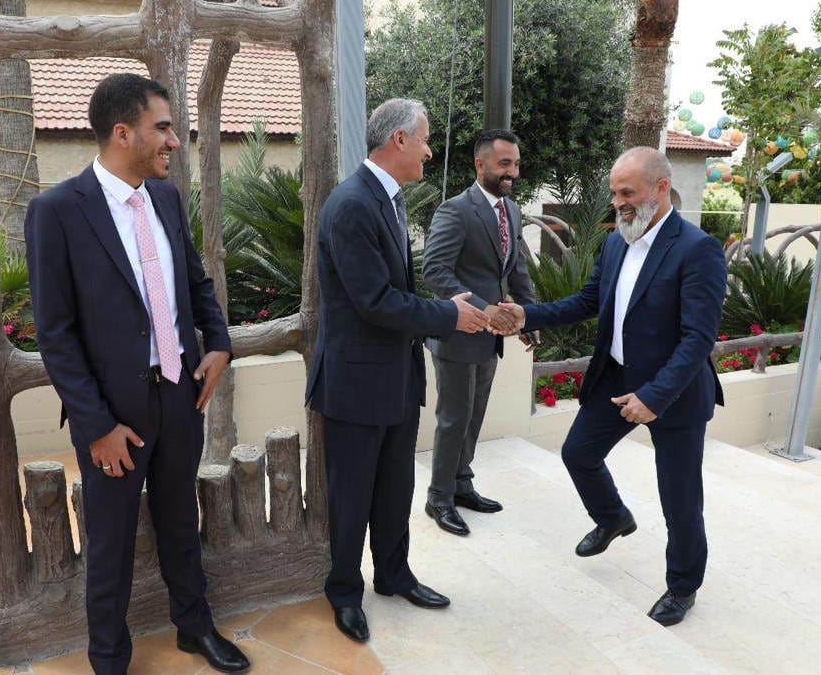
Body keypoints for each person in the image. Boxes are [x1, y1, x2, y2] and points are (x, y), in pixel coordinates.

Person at [25, 73, 248, 673]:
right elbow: (55, 334)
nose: (174, 141)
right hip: (112, 416)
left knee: (181, 519)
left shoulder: (166, 200)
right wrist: (97, 427)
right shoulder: (57, 212)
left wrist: (219, 343)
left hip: (180, 395)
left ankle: (194, 628)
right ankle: (108, 658)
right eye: (163, 128)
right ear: (123, 133)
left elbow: (196, 283)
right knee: (111, 541)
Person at [494, 147, 727, 626]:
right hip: (617, 378)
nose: (618, 202)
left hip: (676, 393)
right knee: (578, 453)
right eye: (614, 193)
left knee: (679, 498)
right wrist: (526, 315)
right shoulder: (617, 242)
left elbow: (697, 338)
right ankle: (613, 517)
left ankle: (683, 587)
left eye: (627, 192)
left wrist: (654, 397)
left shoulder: (696, 248)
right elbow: (587, 301)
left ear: (661, 188)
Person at [304, 98, 492, 642]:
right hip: (356, 385)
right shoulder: (352, 204)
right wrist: (449, 315)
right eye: (425, 139)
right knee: (352, 498)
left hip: (394, 379)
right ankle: (345, 592)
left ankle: (393, 574)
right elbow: (374, 301)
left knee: (394, 489)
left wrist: (445, 309)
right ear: (400, 140)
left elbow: (393, 293)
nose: (431, 151)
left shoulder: (386, 199)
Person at [421, 129, 537, 536]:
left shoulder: (512, 211)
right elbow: (435, 270)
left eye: (516, 164)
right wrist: (483, 308)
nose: (512, 172)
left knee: (473, 417)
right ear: (480, 164)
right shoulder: (455, 210)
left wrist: (530, 317)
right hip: (457, 334)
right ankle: (438, 497)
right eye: (504, 164)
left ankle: (461, 484)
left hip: (491, 338)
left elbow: (517, 269)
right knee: (453, 419)